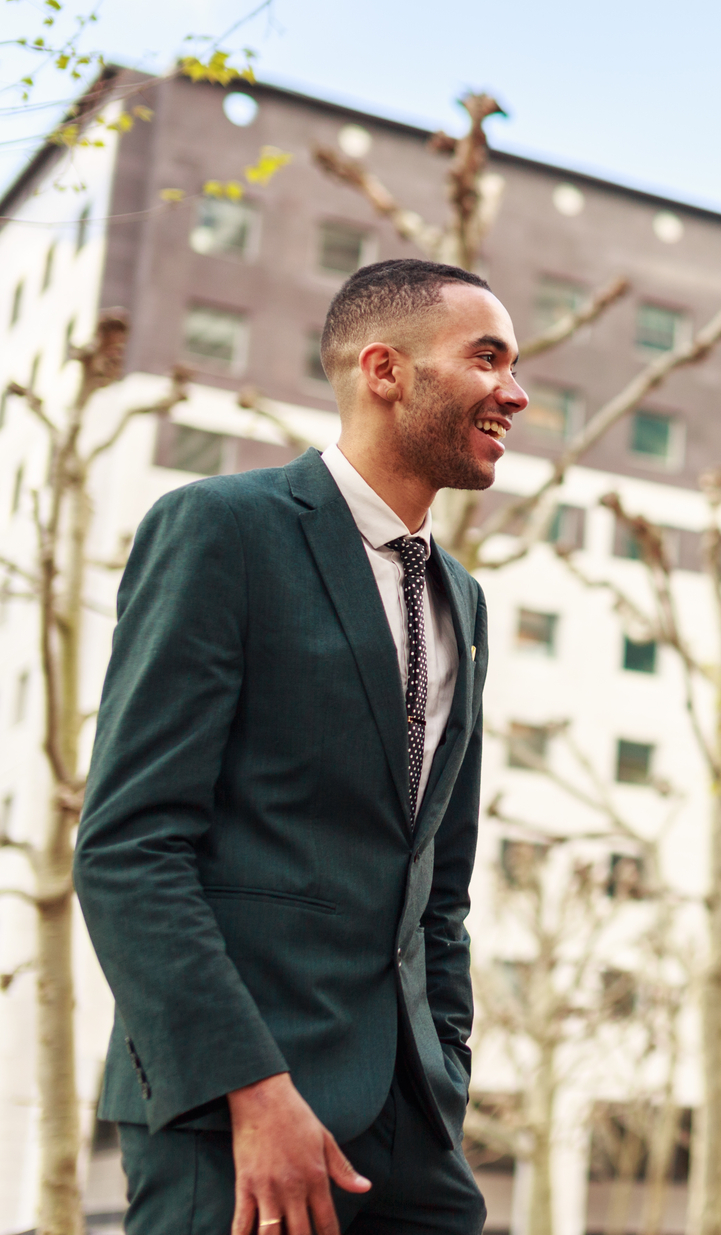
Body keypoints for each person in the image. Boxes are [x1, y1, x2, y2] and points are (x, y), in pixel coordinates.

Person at [74, 258, 527, 1235]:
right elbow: (129, 848)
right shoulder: (221, 531)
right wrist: (251, 1087)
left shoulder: (464, 599)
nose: (515, 392)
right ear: (384, 369)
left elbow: (436, 882)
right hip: (237, 1118)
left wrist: (443, 1068)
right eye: (487, 358)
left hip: (411, 1125)